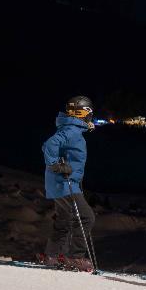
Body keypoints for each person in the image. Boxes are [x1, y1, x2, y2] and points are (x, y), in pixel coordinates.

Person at [40, 95, 96, 271]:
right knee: (86, 217)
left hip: (60, 184)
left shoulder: (71, 128)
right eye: (89, 113)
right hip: (64, 183)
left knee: (64, 220)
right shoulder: (71, 130)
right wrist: (56, 165)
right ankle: (75, 257)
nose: (90, 117)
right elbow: (50, 145)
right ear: (81, 113)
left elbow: (53, 144)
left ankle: (52, 256)